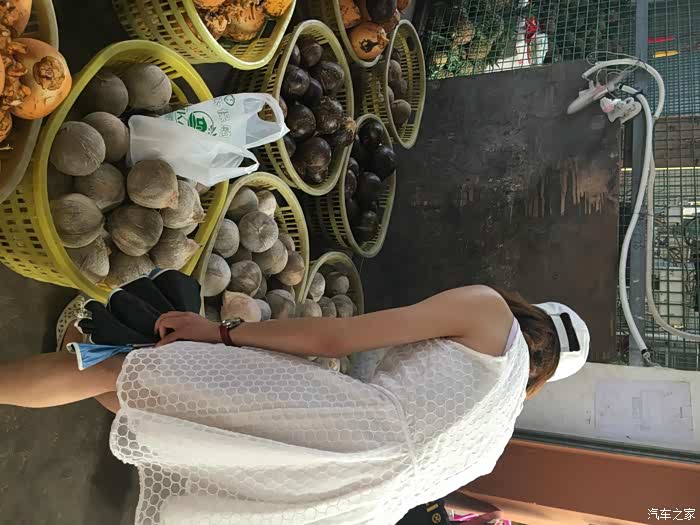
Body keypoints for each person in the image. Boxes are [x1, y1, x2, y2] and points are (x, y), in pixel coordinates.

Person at [0, 284, 589, 524]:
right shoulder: (494, 442)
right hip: (350, 507)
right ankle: (67, 370)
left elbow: (338, 338)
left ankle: (65, 367)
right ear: (542, 379)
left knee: (127, 371)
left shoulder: (490, 313)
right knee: (182, 425)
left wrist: (223, 333)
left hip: (350, 425)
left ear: (532, 310)